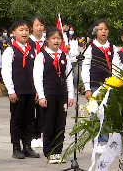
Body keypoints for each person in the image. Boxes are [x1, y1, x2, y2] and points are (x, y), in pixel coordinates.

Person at [33, 27, 74, 164]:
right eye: (53, 38)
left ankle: (58, 151)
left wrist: (70, 95)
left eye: (58, 38)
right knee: (48, 123)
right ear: (48, 40)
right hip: (48, 94)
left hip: (61, 94)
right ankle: (49, 151)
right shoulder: (42, 56)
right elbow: (38, 77)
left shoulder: (64, 56)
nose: (56, 41)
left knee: (60, 124)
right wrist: (42, 96)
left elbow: (69, 77)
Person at [1, 19, 40, 159]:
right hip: (17, 91)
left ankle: (27, 146)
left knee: (30, 120)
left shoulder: (33, 51)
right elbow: (6, 72)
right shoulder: (10, 51)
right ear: (13, 33)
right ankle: (16, 147)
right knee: (17, 120)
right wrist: (11, 90)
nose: (24, 33)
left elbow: (37, 72)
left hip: (30, 90)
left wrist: (38, 90)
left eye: (26, 30)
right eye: (20, 30)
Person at [81, 19, 120, 154]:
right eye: (100, 29)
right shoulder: (91, 48)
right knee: (95, 114)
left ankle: (105, 141)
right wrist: (87, 88)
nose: (103, 31)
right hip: (94, 86)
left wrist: (115, 84)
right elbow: (85, 68)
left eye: (106, 29)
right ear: (95, 31)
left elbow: (116, 67)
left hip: (108, 85)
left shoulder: (113, 48)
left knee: (107, 115)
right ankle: (97, 141)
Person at [27, 15, 45, 149]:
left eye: (41, 25)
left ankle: (39, 134)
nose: (39, 28)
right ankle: (32, 135)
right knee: (30, 109)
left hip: (44, 80)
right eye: (37, 25)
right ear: (31, 27)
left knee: (42, 110)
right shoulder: (28, 42)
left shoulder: (47, 42)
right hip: (29, 79)